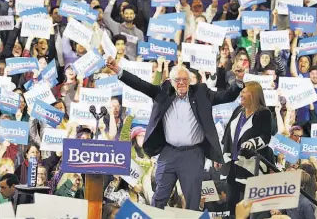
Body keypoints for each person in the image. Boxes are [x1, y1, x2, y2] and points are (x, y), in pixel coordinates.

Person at [106, 56, 244, 210]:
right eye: (177, 80)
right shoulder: (163, 92)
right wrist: (118, 69)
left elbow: (227, 96)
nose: (182, 83)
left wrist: (238, 80)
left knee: (192, 200)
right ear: (171, 82)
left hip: (193, 154)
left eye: (185, 79)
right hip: (168, 153)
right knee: (159, 197)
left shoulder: (201, 93)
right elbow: (140, 84)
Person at [221, 81, 274, 216]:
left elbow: (266, 136)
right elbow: (228, 133)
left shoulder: (264, 113)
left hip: (249, 166)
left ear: (254, 94)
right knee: (231, 202)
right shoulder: (238, 110)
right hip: (231, 163)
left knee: (247, 205)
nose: (241, 94)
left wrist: (253, 143)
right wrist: (221, 155)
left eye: (244, 91)